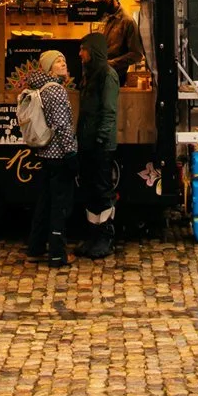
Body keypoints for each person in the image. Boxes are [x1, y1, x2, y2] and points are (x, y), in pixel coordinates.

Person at [22, 49, 77, 269]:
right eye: (57, 61)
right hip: (59, 156)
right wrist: (71, 153)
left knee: (44, 203)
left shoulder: (40, 88)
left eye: (64, 59)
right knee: (59, 206)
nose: (63, 63)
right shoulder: (56, 91)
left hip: (45, 154)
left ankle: (34, 250)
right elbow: (62, 126)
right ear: (48, 68)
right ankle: (57, 254)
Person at [76, 31, 120, 260]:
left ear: (93, 51)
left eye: (84, 48)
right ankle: (92, 236)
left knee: (102, 190)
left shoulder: (107, 75)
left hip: (100, 145)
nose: (80, 53)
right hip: (86, 142)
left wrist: (101, 140)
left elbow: (109, 111)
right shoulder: (88, 75)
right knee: (89, 189)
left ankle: (105, 237)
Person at [103, 0, 144, 87]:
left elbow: (136, 54)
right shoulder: (107, 18)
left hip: (116, 77)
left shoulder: (127, 21)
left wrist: (111, 63)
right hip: (103, 75)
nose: (102, 1)